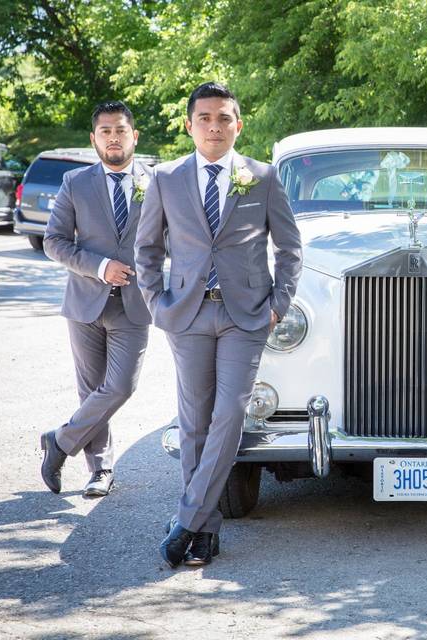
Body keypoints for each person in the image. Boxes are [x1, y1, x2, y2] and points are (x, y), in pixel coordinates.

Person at [135, 82, 302, 568]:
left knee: (229, 414)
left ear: (237, 124)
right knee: (194, 422)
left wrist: (279, 305)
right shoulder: (165, 178)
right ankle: (205, 532)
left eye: (223, 118)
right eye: (204, 118)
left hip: (245, 316)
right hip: (185, 314)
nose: (214, 126)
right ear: (189, 125)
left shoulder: (263, 177)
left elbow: (290, 249)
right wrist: (155, 303)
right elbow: (146, 250)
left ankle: (186, 520)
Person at [40, 101, 153, 498]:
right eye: (105, 131)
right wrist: (100, 266)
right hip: (85, 302)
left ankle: (59, 441)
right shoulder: (76, 182)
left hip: (135, 304)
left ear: (133, 135)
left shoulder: (157, 182)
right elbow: (54, 242)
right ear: (94, 139)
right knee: (90, 391)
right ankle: (99, 470)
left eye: (120, 130)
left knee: (120, 386)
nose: (113, 138)